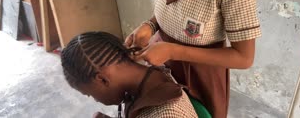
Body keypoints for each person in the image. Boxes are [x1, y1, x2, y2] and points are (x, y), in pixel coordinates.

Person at [125, 0, 262, 117]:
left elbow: (244, 58)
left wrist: (173, 51)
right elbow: (167, 11)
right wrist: (150, 25)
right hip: (163, 59)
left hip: (200, 74)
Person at [60, 31, 201, 118]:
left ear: (102, 79)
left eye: (89, 93)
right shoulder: (148, 74)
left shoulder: (165, 114)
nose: (95, 100)